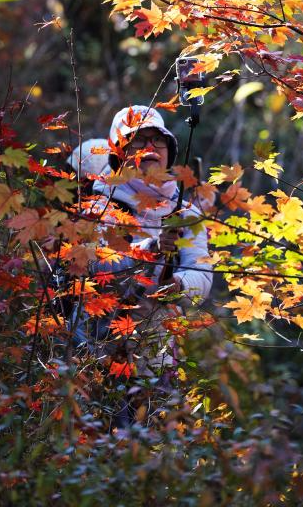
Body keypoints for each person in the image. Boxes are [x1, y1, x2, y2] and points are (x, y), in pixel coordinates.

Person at [70, 105, 212, 395]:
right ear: (120, 153)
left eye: (158, 140)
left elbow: (202, 275)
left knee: (154, 433)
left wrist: (177, 284)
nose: (150, 147)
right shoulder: (98, 208)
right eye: (138, 140)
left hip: (154, 351)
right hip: (95, 347)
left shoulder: (186, 213)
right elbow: (97, 266)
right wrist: (150, 249)